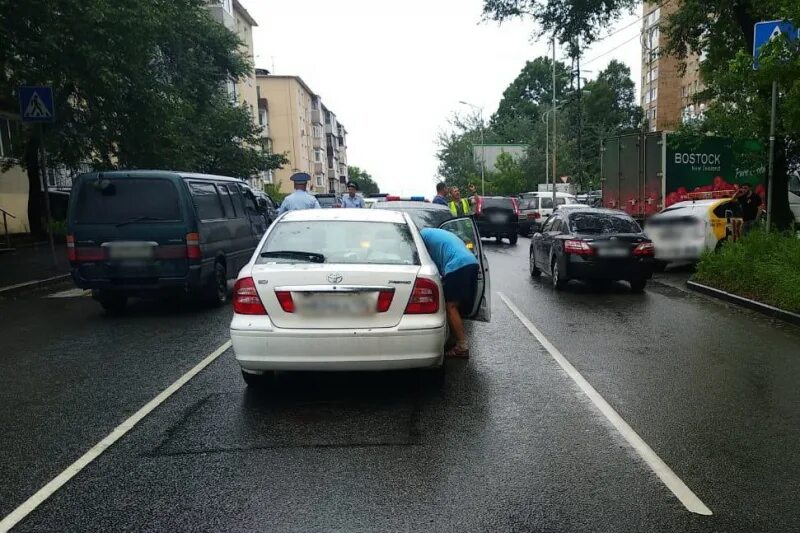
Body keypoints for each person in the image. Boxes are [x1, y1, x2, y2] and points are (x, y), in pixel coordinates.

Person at [419, 228, 479, 358]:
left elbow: (424, 260)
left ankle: (462, 346)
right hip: (471, 262)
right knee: (458, 306)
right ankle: (455, 339)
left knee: (450, 306)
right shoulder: (434, 233)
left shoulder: (420, 237)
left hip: (457, 265)